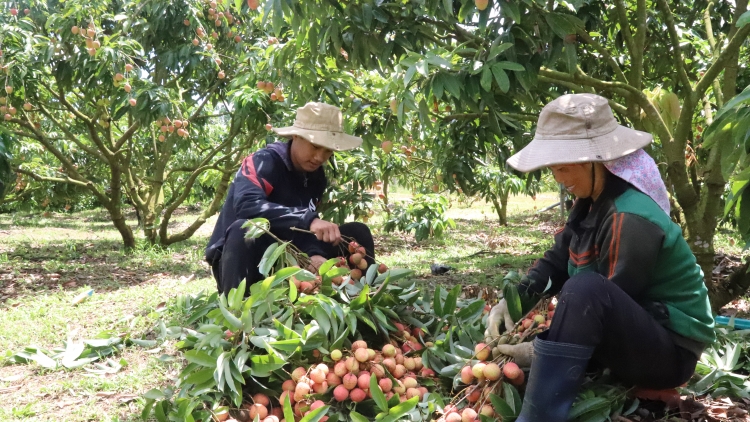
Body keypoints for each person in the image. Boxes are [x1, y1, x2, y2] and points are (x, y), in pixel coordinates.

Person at [484, 94, 715, 422]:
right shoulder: (593, 203)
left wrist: (543, 349)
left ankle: (540, 417)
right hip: (639, 333)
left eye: (564, 167)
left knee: (583, 290)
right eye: (553, 169)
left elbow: (599, 303)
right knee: (580, 292)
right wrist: (512, 303)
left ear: (597, 159)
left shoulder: (630, 218)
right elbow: (555, 260)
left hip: (670, 352)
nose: (559, 179)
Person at [205, 102, 375, 295]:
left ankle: (366, 298)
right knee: (244, 229)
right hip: (244, 261)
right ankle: (238, 308)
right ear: (295, 136)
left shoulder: (316, 177)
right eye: (315, 146)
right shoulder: (263, 162)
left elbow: (301, 230)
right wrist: (308, 219)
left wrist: (314, 254)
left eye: (328, 150)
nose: (320, 157)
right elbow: (247, 205)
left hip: (291, 258)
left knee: (357, 233)